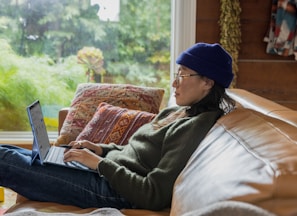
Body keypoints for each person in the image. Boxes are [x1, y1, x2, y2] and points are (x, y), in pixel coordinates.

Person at [0, 42, 235, 211]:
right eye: (177, 73)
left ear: (207, 82)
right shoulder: (177, 111)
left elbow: (152, 194)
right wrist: (99, 149)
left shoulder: (196, 126)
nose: (174, 82)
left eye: (183, 75)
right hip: (104, 173)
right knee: (11, 152)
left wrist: (100, 164)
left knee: (4, 161)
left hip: (113, 191)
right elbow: (134, 154)